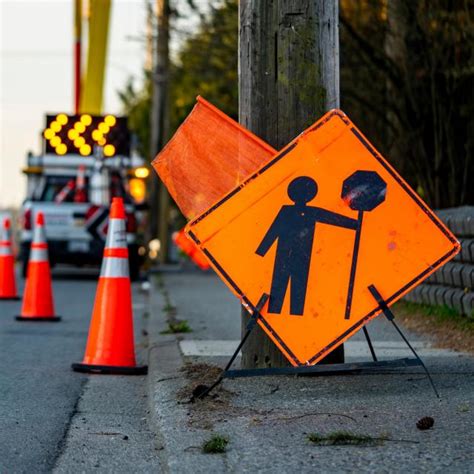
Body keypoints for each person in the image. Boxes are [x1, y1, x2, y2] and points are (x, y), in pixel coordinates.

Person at [256, 176, 358, 315]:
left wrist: (354, 224)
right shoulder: (287, 211)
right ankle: (276, 315)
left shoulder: (310, 212)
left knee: (297, 292)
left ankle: (294, 317)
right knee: (279, 291)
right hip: (285, 256)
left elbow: (331, 218)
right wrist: (261, 251)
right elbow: (273, 231)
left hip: (301, 256)